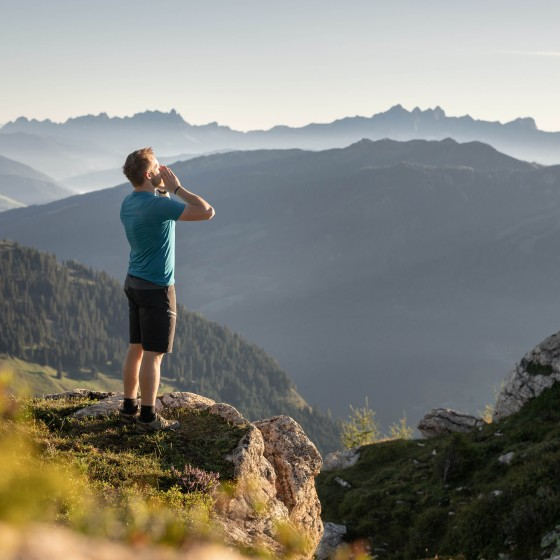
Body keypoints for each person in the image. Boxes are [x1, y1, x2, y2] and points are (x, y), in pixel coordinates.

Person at [119, 147, 215, 433]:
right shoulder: (160, 205)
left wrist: (161, 188)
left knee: (135, 348)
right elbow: (207, 212)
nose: (163, 170)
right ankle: (148, 418)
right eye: (158, 167)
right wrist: (178, 188)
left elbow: (155, 201)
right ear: (149, 174)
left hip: (133, 281)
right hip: (157, 287)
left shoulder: (129, 202)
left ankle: (128, 407)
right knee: (154, 354)